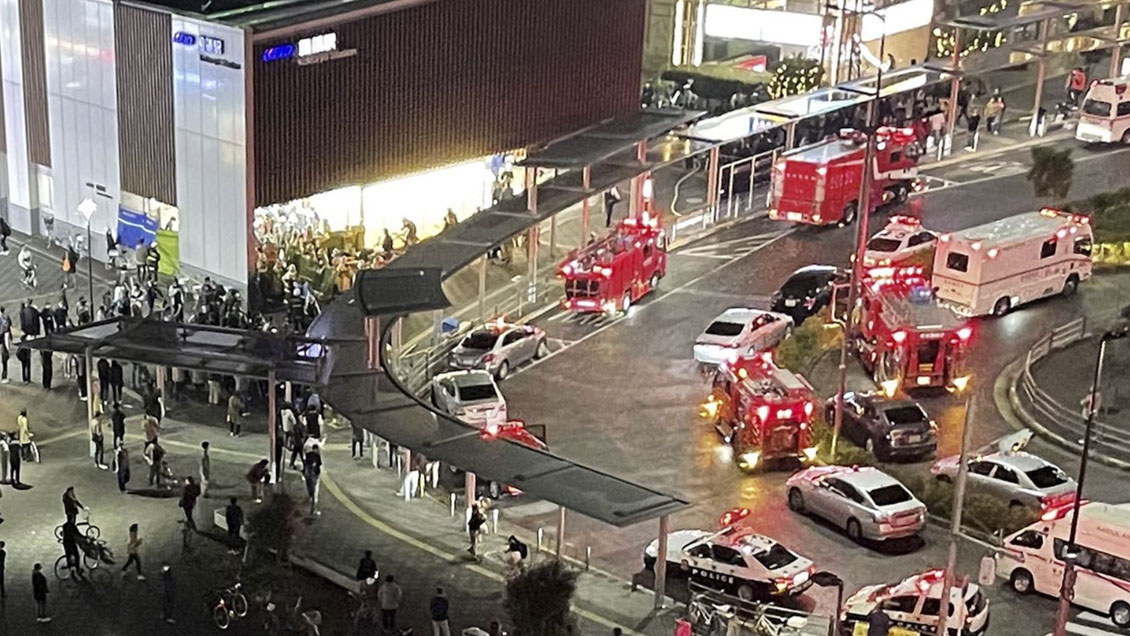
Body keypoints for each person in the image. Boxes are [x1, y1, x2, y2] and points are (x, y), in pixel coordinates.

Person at [303, 444, 322, 516]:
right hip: (315, 475)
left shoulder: (307, 456)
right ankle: (314, 509)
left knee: (311, 492)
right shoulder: (317, 456)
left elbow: (305, 466)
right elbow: (319, 464)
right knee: (315, 493)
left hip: (308, 475)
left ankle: (311, 506)